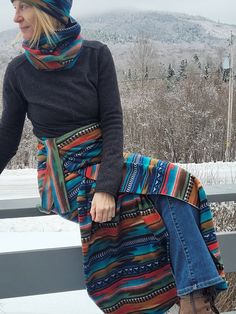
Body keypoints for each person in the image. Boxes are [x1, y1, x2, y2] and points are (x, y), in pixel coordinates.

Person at [0, 1, 227, 313]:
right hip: (65, 175)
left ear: (49, 9)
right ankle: (196, 301)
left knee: (180, 183)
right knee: (165, 191)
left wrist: (107, 186)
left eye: (24, 5)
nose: (16, 16)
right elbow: (7, 139)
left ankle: (193, 299)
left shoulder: (96, 55)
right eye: (14, 7)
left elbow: (112, 122)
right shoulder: (18, 72)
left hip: (106, 163)